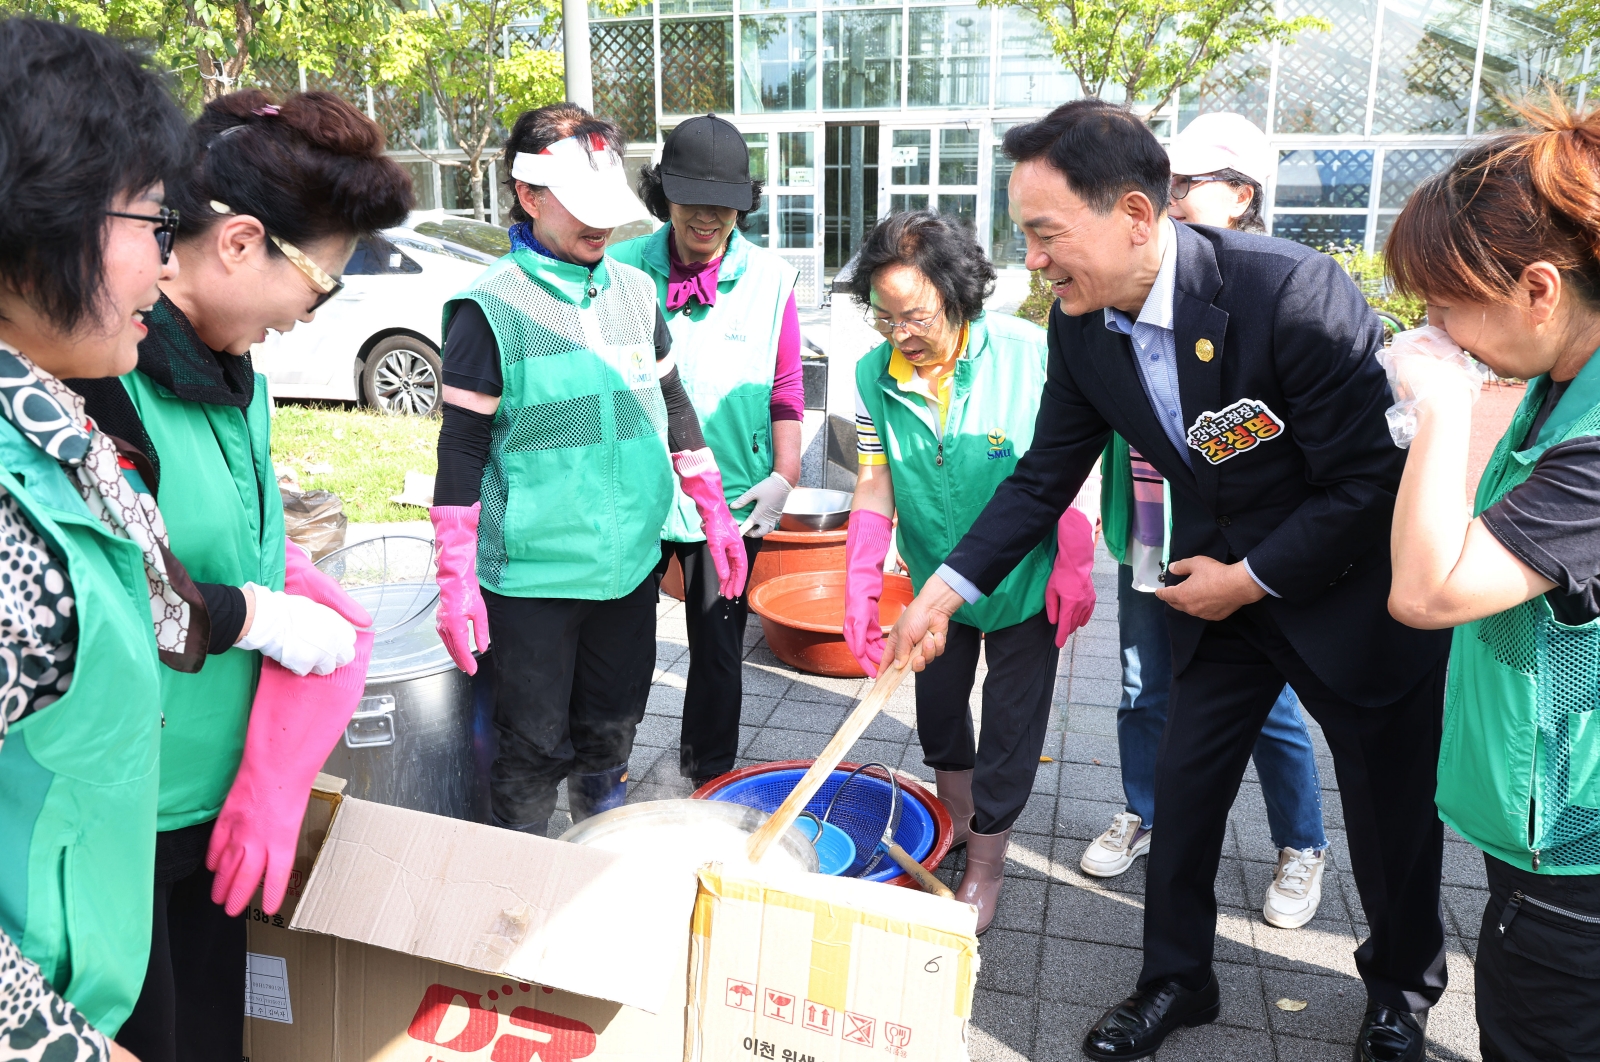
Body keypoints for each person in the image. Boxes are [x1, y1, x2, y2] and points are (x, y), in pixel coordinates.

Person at [881, 99, 1452, 1062]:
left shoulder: (1291, 294)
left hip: (1350, 595)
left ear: (1138, 217)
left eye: (1047, 234)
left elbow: (1369, 479)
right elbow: (1040, 478)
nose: (1033, 261)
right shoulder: (1080, 327)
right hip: (1213, 597)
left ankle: (1398, 990)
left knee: (1389, 810)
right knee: (1182, 794)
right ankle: (1178, 979)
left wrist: (1254, 577)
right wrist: (942, 591)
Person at [73, 89, 407, 1062]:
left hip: (215, 806)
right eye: (320, 283)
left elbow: (225, 527)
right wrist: (254, 612)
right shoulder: (98, 373)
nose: (311, 316)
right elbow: (97, 583)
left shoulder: (237, 376)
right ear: (238, 243)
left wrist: (286, 571)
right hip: (111, 819)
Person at [430, 103, 743, 837]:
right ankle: (524, 873)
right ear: (529, 196)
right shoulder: (491, 308)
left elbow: (672, 402)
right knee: (534, 749)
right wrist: (454, 575)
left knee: (612, 732)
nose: (600, 227)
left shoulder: (635, 294)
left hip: (628, 568)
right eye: (581, 208)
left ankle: (597, 845)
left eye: (609, 208)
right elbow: (461, 450)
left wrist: (714, 511)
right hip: (533, 579)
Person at [1384, 97, 1600, 1062]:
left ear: (1539, 289)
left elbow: (1429, 592)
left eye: (1444, 301)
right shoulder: (1562, 383)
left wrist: (1439, 406)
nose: (1435, 326)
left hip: (1576, 851)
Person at [1084, 111, 1332, 936]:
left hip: (1249, 556)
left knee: (1268, 705)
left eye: (1194, 183)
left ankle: (1302, 844)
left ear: (1245, 195)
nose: (1174, 198)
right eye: (1168, 182)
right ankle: (1144, 810)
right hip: (1148, 533)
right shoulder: (1122, 295)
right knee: (1139, 687)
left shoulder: (1274, 296)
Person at [0, 17, 192, 1059]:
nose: (167, 271)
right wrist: (51, 1040)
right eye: (154, 227)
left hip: (98, 957)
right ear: (44, 215)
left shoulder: (56, 413)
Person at [841, 211, 1097, 932]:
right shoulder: (873, 374)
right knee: (940, 709)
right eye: (883, 316)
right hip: (935, 586)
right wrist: (862, 582)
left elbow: (1070, 465)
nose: (899, 335)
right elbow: (873, 476)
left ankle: (986, 861)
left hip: (1024, 581)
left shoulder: (1032, 352)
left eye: (915, 315)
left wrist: (1075, 559)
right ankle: (954, 820)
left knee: (1013, 727)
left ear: (959, 295)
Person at [609, 114, 803, 787]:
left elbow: (786, 387)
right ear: (664, 192)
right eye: (693, 200)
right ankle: (605, 773)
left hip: (732, 494)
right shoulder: (620, 268)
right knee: (620, 649)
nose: (708, 218)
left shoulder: (772, 279)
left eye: (724, 205)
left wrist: (785, 473)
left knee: (719, 650)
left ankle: (707, 782)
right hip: (634, 489)